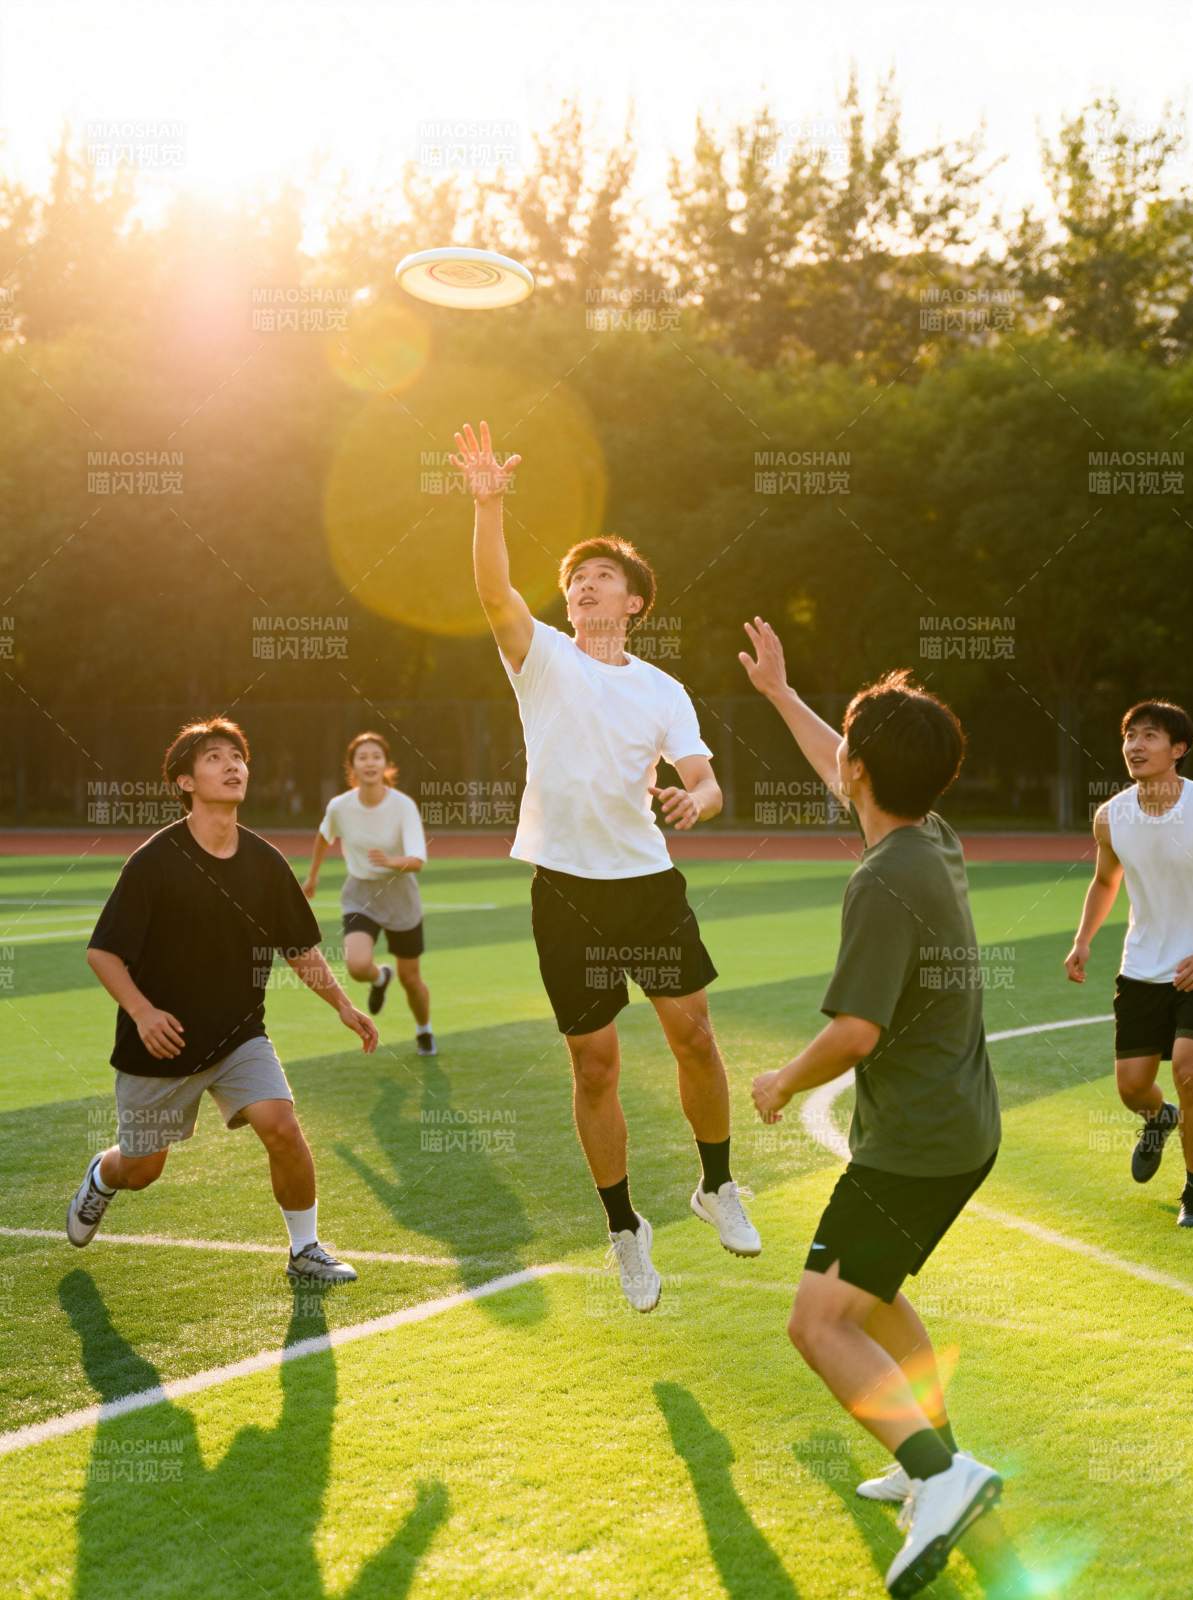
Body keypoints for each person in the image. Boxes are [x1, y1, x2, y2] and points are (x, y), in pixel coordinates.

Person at [451, 419, 760, 1314]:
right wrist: (489, 502)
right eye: (576, 580)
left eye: (603, 579)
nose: (584, 587)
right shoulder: (540, 657)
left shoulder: (663, 690)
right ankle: (626, 1230)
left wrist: (689, 803)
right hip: (566, 891)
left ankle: (716, 1184)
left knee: (693, 1036)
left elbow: (706, 785)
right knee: (594, 1066)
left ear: (632, 604)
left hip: (647, 887)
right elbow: (492, 588)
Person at [741, 619, 1002, 1598]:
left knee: (819, 1323)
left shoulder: (883, 882)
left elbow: (854, 1031)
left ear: (859, 769)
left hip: (914, 1143)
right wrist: (779, 692)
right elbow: (842, 762)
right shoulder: (930, 834)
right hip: (960, 1128)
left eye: (843, 751)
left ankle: (942, 1475)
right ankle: (930, 1450)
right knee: (878, 1296)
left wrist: (778, 1083)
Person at [67, 717, 378, 1283]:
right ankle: (103, 1176)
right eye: (214, 758)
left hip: (239, 1035)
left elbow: (299, 948)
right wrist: (142, 1012)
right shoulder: (154, 861)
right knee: (142, 1170)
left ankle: (304, 1250)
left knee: (282, 1127)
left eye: (237, 756)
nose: (232, 765)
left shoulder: (265, 862)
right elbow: (102, 953)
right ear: (185, 781)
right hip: (161, 1045)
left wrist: (342, 1003)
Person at [1065, 699, 1193, 1228]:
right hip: (1142, 967)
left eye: (1150, 736)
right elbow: (1105, 881)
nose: (1135, 747)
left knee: (1191, 1070)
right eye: (1130, 737)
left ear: (1178, 749)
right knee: (1132, 1087)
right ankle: (1159, 1118)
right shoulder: (1111, 816)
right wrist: (1083, 941)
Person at [303, 731, 435, 1055]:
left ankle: (424, 1029)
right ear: (352, 767)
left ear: (387, 764)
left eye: (376, 756)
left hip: (400, 893)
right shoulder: (340, 807)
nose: (370, 762)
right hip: (360, 892)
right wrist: (312, 877)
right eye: (362, 757)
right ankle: (379, 978)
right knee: (357, 966)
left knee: (411, 979)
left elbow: (417, 861)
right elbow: (324, 837)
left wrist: (391, 861)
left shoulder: (403, 806)